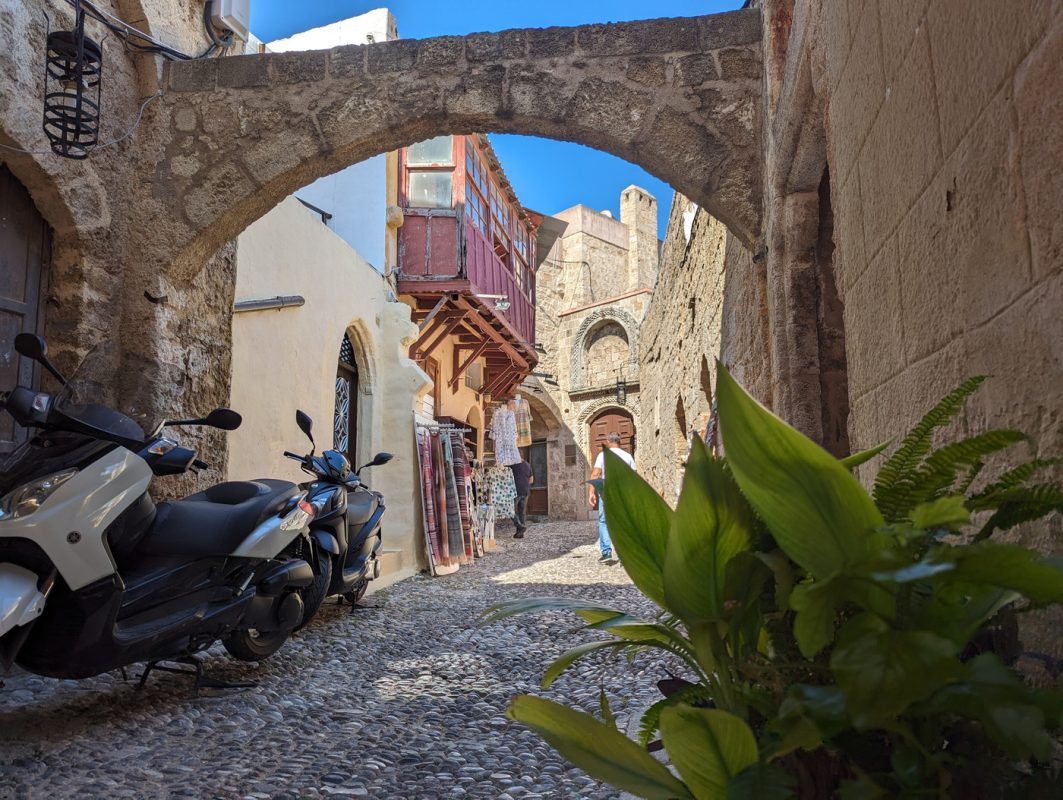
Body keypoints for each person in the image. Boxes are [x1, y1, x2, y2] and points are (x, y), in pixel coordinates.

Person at [587, 432, 635, 562]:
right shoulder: (628, 456)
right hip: (623, 491)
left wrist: (591, 492)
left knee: (604, 521)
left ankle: (606, 552)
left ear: (608, 441)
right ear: (619, 442)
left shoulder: (603, 455)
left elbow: (595, 474)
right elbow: (633, 477)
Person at [510, 458, 533, 539]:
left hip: (516, 491)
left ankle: (520, 527)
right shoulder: (527, 465)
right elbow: (531, 480)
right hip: (526, 491)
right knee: (522, 513)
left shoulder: (513, 465)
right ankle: (520, 534)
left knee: (510, 510)